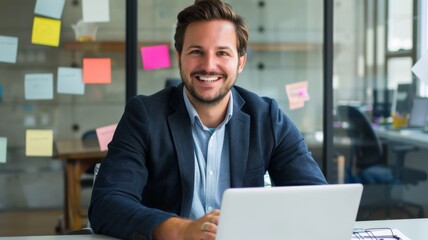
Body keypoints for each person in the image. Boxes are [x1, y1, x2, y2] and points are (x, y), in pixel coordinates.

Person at [88, 0, 327, 239]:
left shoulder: (267, 118)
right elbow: (107, 204)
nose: (209, 65)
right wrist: (182, 230)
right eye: (196, 52)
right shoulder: (145, 115)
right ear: (179, 56)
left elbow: (317, 200)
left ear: (240, 62)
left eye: (222, 53)